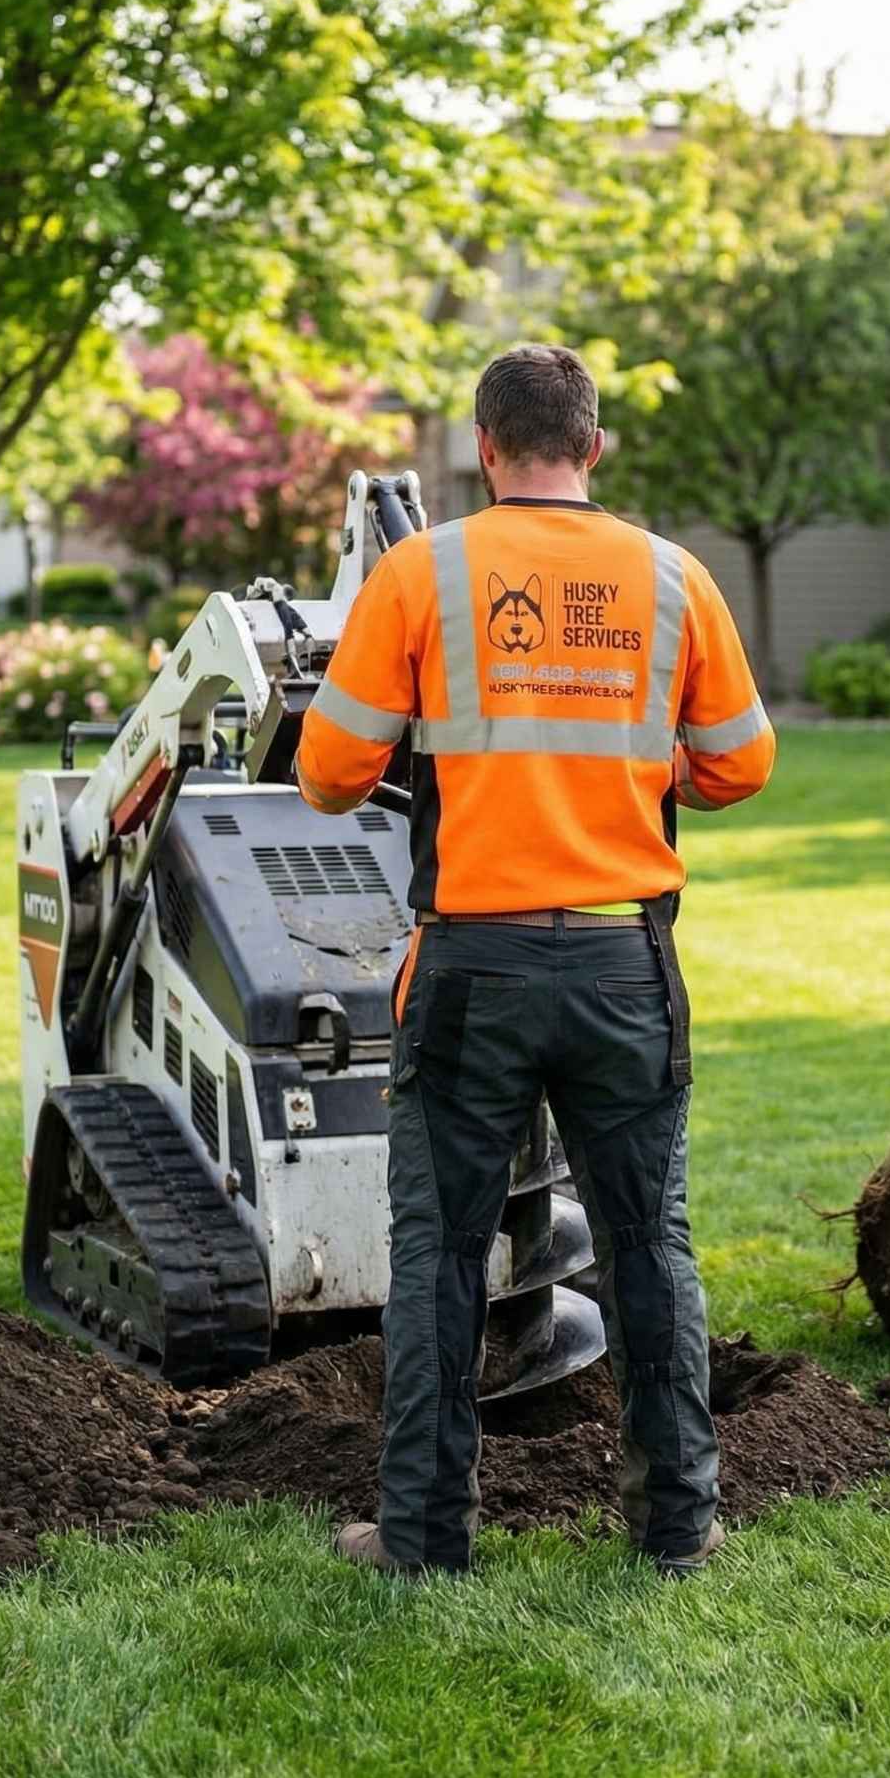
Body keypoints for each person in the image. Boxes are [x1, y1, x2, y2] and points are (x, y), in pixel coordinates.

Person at [295, 343, 775, 1576]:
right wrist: (629, 765)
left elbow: (330, 773)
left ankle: (422, 1541)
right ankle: (676, 1534)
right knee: (647, 1247)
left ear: (486, 446)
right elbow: (740, 763)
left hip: (471, 975)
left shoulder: (424, 574)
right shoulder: (675, 580)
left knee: (442, 1253)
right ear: (594, 446)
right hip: (626, 966)